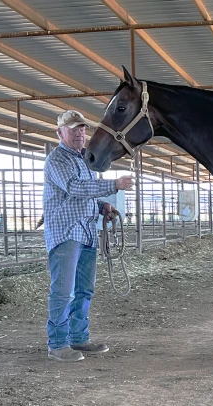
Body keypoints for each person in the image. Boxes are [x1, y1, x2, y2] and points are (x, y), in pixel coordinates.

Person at [43, 110, 134, 362]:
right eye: (73, 130)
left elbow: (84, 196)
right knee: (63, 291)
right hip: (66, 232)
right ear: (60, 133)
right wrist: (113, 185)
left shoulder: (84, 161)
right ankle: (58, 344)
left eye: (82, 129)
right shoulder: (57, 160)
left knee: (84, 290)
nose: (79, 134)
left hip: (86, 232)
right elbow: (74, 188)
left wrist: (102, 205)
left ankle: (78, 338)